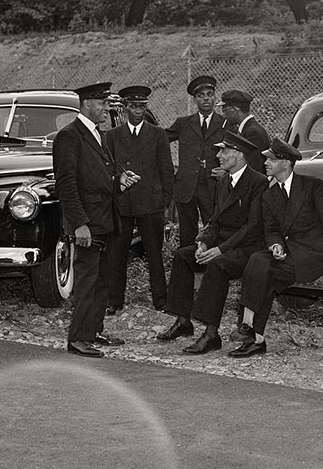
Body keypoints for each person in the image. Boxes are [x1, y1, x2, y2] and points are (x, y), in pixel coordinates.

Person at [231, 137, 323, 359]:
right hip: (287, 255)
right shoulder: (269, 194)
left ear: (286, 163)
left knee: (261, 268)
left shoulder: (312, 186)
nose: (265, 163)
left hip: (312, 255)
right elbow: (270, 230)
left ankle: (249, 327)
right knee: (260, 265)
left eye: (271, 159)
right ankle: (255, 337)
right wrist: (275, 245)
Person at [158, 130, 267, 355]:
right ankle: (183, 321)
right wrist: (203, 243)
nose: (219, 155)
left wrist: (219, 250)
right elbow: (215, 221)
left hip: (247, 248)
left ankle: (211, 333)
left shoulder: (259, 183)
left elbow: (252, 227)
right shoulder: (224, 181)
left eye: (224, 150)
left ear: (239, 155)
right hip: (222, 244)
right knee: (183, 256)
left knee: (218, 266)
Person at [53, 82, 139, 357]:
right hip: (89, 222)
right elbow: (66, 184)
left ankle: (93, 331)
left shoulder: (98, 135)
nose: (106, 109)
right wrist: (79, 223)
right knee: (87, 280)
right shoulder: (69, 136)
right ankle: (78, 338)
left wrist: (120, 181)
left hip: (105, 219)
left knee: (103, 280)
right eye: (102, 104)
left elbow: (99, 176)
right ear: (87, 104)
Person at [105, 85, 174, 314]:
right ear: (125, 109)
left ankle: (161, 300)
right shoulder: (113, 137)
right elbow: (108, 170)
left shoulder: (157, 134)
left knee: (154, 254)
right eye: (133, 106)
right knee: (117, 255)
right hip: (123, 204)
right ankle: (115, 301)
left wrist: (163, 201)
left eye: (142, 106)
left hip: (150, 204)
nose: (138, 111)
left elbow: (166, 170)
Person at [166, 75, 227, 255]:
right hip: (186, 187)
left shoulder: (224, 124)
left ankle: (211, 266)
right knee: (187, 230)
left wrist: (227, 170)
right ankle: (187, 267)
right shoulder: (183, 123)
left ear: (215, 97)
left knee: (213, 226)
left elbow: (237, 151)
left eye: (209, 94)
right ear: (195, 99)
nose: (206, 98)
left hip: (212, 186)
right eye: (201, 95)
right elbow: (161, 139)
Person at [220, 89, 271, 173]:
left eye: (224, 109)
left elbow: (253, 167)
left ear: (235, 109)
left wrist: (227, 175)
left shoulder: (253, 133)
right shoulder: (247, 129)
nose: (223, 114)